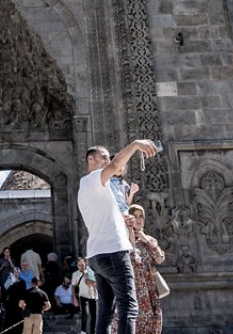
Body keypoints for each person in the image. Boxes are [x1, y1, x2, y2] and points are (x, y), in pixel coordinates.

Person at [77, 140, 157, 334]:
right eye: (103, 157)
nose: (107, 160)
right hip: (113, 252)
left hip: (97, 256)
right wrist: (136, 144)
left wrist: (124, 220)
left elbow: (108, 215)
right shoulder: (94, 179)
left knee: (105, 311)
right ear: (91, 159)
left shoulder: (91, 188)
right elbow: (115, 165)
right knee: (129, 306)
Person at [115, 205, 164, 334]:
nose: (138, 219)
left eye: (141, 216)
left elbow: (159, 258)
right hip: (130, 289)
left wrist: (145, 239)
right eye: (135, 216)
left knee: (149, 325)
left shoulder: (149, 240)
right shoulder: (122, 240)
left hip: (148, 290)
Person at [71, 257, 97, 334]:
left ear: (85, 264)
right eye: (79, 265)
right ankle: (83, 331)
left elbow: (95, 283)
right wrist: (74, 298)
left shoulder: (90, 272)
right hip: (82, 296)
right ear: (77, 265)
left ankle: (93, 331)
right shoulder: (75, 274)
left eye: (82, 265)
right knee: (84, 314)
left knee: (94, 315)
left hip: (92, 295)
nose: (81, 267)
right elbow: (73, 287)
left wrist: (90, 281)